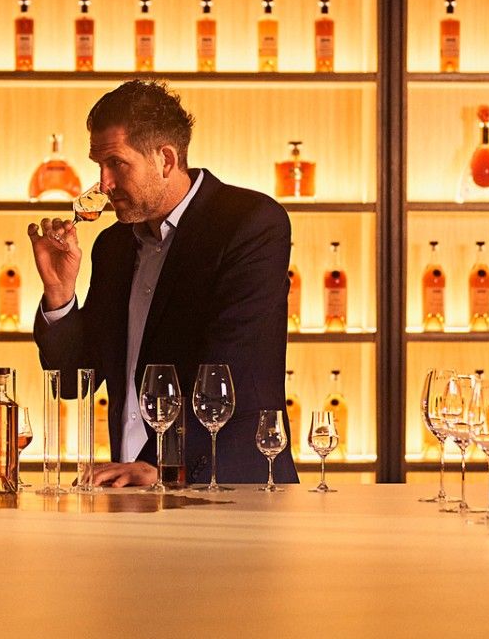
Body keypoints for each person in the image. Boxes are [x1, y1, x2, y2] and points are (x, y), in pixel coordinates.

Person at [29, 79, 297, 486]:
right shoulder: (113, 245)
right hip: (131, 488)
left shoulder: (251, 223)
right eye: (98, 165)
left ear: (166, 159)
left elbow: (229, 365)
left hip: (229, 487)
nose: (102, 183)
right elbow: (72, 381)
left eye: (116, 163)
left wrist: (163, 464)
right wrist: (59, 292)